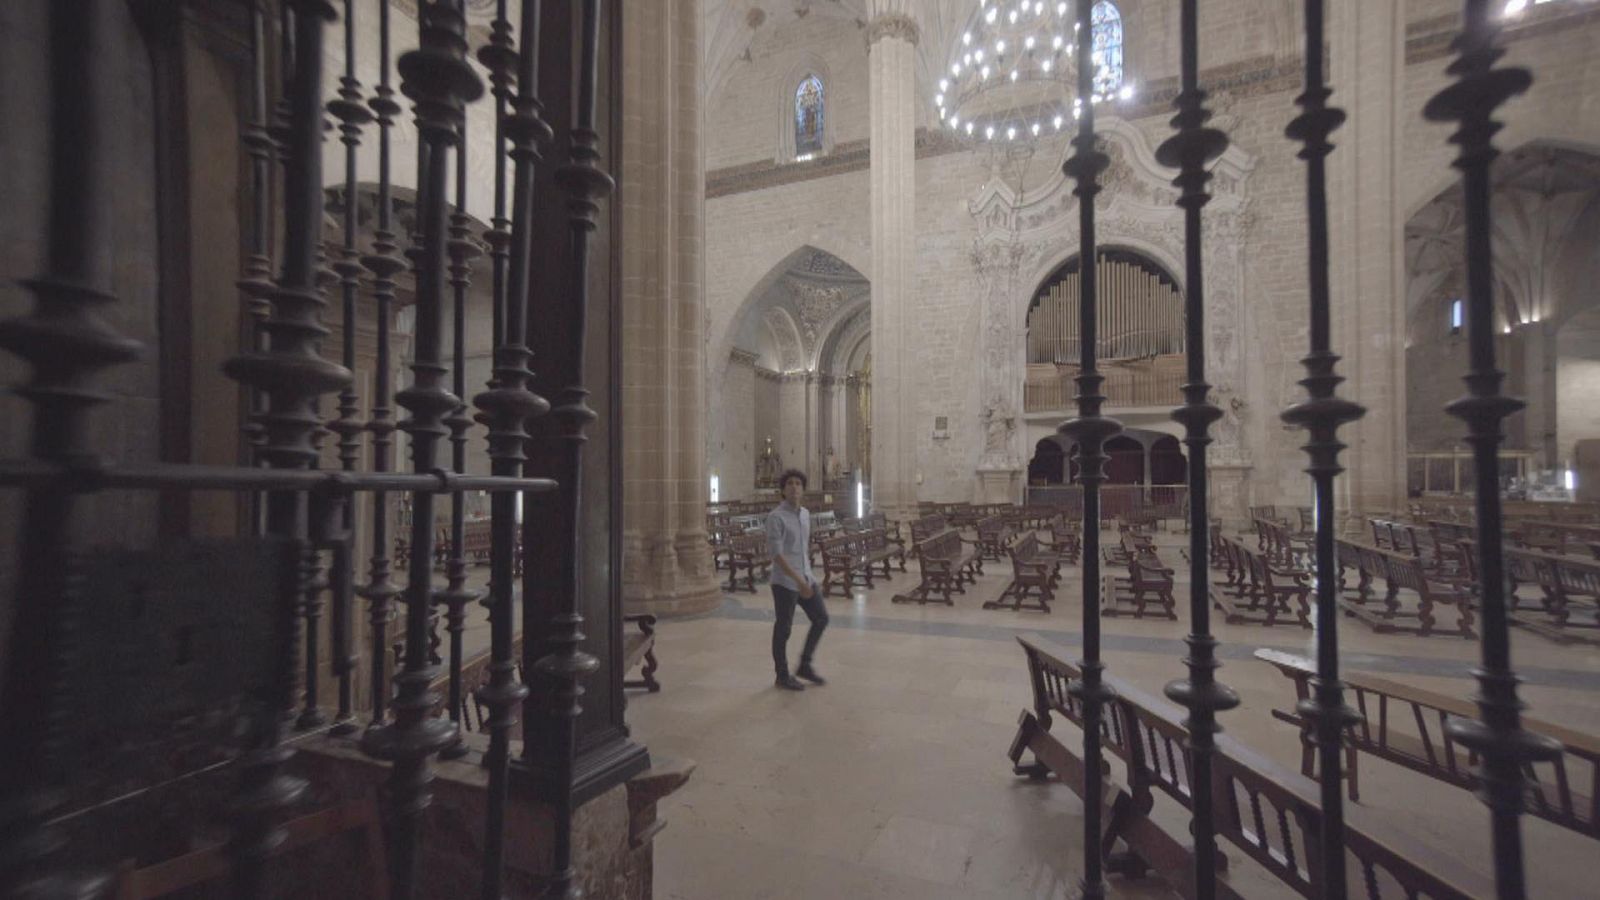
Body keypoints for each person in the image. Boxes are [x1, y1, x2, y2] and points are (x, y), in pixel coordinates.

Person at [765, 468, 828, 691]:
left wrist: (809, 577)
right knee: (784, 628)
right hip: (784, 582)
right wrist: (798, 581)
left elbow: (802, 549)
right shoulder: (776, 517)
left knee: (821, 618)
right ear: (783, 489)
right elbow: (777, 555)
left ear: (803, 489)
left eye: (798, 483)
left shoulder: (804, 515)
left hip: (805, 577)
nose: (794, 487)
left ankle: (804, 665)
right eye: (790, 483)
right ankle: (782, 675)